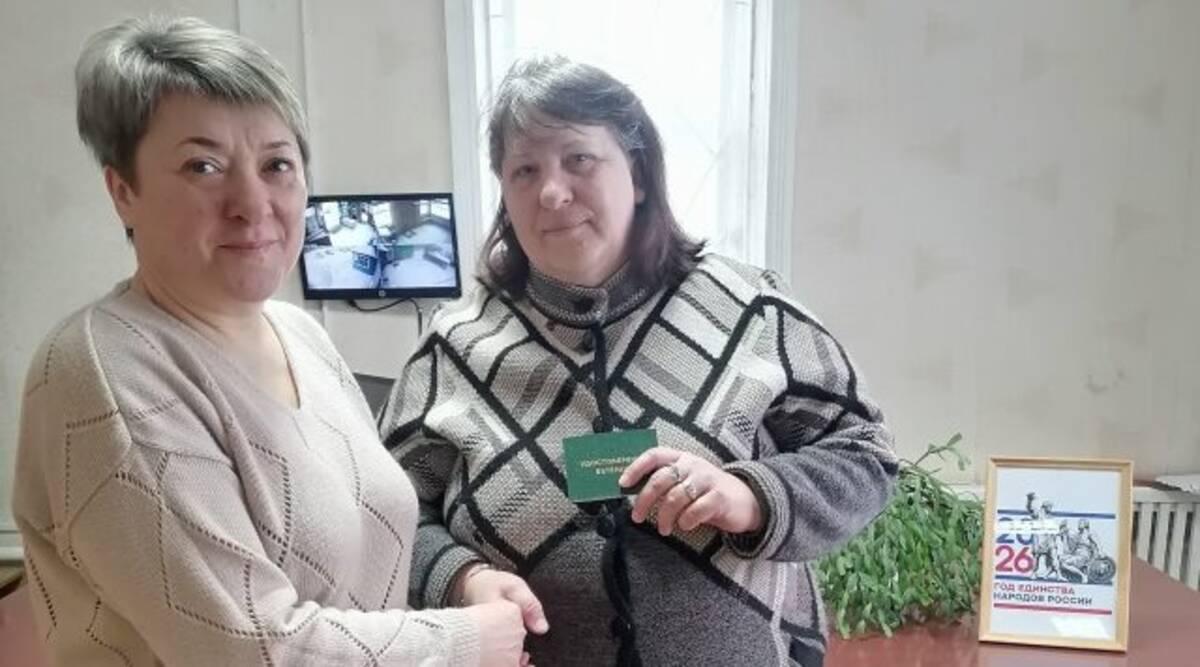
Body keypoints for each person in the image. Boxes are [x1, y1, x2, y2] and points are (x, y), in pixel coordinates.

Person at [11, 16, 529, 666]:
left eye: (277, 164)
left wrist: (461, 584)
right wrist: (470, 640)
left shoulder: (301, 334)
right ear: (124, 192)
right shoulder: (103, 372)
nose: (252, 203)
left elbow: (363, 567)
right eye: (203, 166)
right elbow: (255, 651)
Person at [380, 55, 897, 667]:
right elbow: (387, 518)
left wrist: (752, 496)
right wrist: (460, 578)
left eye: (579, 159)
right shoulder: (452, 347)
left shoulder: (752, 310)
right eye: (524, 170)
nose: (552, 192)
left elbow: (865, 456)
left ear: (640, 174)